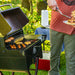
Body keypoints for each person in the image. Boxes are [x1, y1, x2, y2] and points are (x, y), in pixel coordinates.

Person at [47, 0, 75, 75]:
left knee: (71, 57)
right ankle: (53, 73)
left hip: (72, 27)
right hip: (56, 23)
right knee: (54, 54)